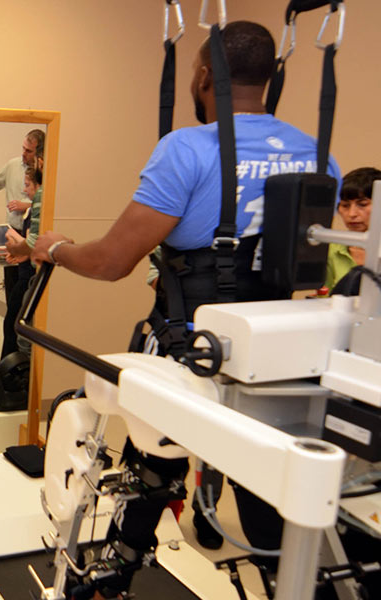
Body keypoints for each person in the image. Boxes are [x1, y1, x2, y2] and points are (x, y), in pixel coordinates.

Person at [33, 21, 340, 599]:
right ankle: (287, 578)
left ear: (203, 77)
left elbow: (111, 262)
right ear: (271, 78)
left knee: (152, 465)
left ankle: (115, 572)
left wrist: (55, 249)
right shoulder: (320, 156)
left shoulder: (187, 149)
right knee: (265, 481)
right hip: (275, 350)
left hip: (186, 340)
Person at [0, 129, 45, 310]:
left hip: (32, 235)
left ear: (39, 153)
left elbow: (49, 202)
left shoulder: (46, 173)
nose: (24, 153)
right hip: (12, 234)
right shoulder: (13, 166)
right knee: (12, 290)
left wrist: (26, 206)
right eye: (23, 148)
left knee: (25, 292)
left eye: (29, 151)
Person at [1, 166, 43, 358]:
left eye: (27, 185)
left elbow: (33, 248)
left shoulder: (40, 210)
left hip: (32, 277)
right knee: (12, 324)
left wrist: (17, 247)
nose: (25, 190)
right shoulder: (33, 212)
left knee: (16, 328)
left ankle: (15, 375)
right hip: (26, 271)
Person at [325, 167, 381, 290]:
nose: (352, 214)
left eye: (362, 204)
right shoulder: (331, 251)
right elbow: (323, 299)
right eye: (345, 205)